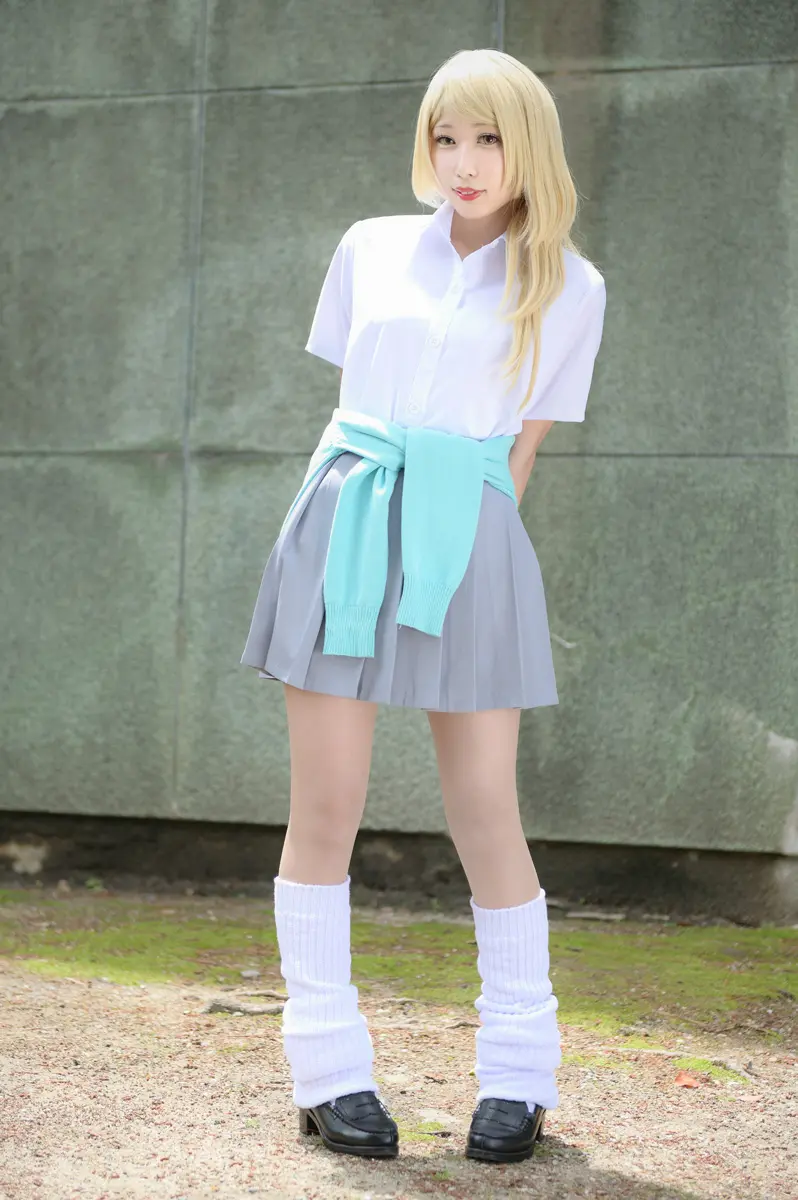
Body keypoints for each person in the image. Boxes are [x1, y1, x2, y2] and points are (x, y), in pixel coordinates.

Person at [240, 47, 606, 1164]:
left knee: (486, 806)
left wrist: (465, 555)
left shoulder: (573, 287)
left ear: (527, 145)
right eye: (445, 137)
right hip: (346, 517)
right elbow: (348, 405)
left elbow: (521, 453)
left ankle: (520, 1077)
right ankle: (327, 1070)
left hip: (472, 528)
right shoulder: (368, 247)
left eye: (487, 137)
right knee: (327, 804)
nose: (462, 160)